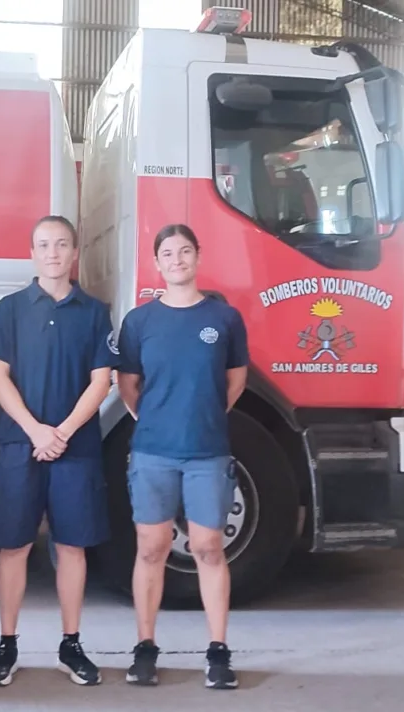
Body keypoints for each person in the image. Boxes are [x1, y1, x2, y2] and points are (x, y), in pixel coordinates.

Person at [0, 215, 117, 688]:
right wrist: (37, 430)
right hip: (20, 445)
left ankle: (71, 644)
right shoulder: (13, 309)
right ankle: (7, 644)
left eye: (61, 245)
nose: (53, 253)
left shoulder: (95, 312)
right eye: (43, 245)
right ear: (32, 253)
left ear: (74, 252)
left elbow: (102, 382)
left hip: (75, 450)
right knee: (12, 546)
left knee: (71, 547)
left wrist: (61, 432)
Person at [115, 224, 248, 691]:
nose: (176, 259)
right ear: (157, 263)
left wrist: (206, 415)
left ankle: (218, 652)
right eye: (167, 253)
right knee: (150, 549)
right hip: (152, 453)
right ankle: (146, 648)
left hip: (207, 453)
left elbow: (236, 379)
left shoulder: (223, 319)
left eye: (184, 251)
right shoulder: (140, 322)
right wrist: (153, 418)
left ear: (197, 257)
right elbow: (128, 384)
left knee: (208, 548)